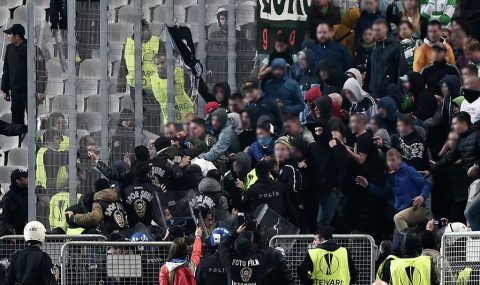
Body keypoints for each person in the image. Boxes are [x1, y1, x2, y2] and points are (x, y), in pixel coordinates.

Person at [356, 149, 431, 234]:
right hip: (401, 213)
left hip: (417, 209)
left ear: (399, 160)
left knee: (398, 218)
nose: (391, 162)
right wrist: (368, 186)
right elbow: (385, 192)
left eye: (393, 160)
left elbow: (426, 185)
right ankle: (409, 239)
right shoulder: (389, 177)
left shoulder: (408, 171)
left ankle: (411, 240)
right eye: (388, 160)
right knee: (396, 245)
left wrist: (422, 196)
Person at [1, 24, 45, 125]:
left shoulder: (33, 49)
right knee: (16, 122)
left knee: (32, 121)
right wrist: (5, 89)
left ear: (17, 36)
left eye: (10, 34)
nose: (8, 37)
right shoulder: (9, 48)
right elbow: (6, 70)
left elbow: (42, 71)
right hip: (15, 92)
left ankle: (30, 140)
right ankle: (18, 140)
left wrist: (41, 90)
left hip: (30, 92)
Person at [365, 19, 407, 98]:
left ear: (385, 29)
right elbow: (369, 71)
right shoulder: (372, 48)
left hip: (389, 95)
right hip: (373, 94)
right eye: (374, 30)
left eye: (378, 30)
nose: (375, 32)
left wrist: (398, 92)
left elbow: (401, 71)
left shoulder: (396, 47)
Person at [151, 53, 194, 124]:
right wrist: (170, 84)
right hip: (170, 118)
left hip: (186, 112)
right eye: (157, 64)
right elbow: (160, 98)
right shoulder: (154, 79)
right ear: (154, 65)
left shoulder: (179, 70)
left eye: (162, 62)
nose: (160, 66)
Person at [122, 162, 159, 227]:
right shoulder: (152, 188)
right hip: (149, 227)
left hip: (132, 228)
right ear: (147, 174)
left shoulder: (126, 189)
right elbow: (157, 208)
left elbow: (125, 208)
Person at [0, 169, 28, 235]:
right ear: (17, 181)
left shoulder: (30, 194)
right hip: (15, 238)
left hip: (29, 234)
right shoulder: (9, 198)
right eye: (25, 177)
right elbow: (4, 220)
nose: (28, 178)